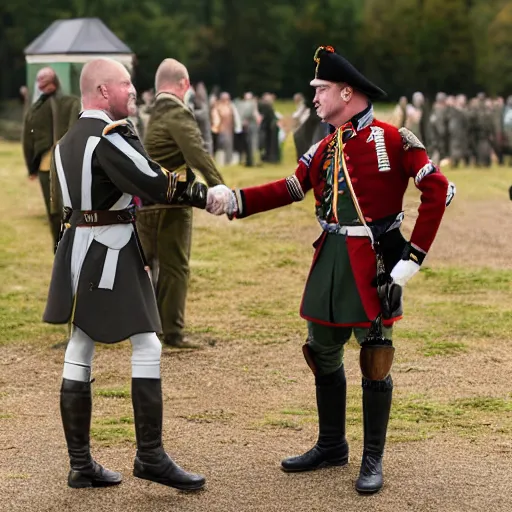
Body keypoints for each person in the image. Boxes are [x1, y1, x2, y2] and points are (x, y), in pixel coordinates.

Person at [207, 46, 453, 494]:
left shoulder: (394, 138)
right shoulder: (323, 145)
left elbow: (438, 190)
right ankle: (331, 444)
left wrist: (411, 261)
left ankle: (372, 458)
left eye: (320, 90)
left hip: (375, 263)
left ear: (346, 91)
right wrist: (234, 200)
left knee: (375, 359)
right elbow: (290, 187)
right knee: (320, 350)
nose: (315, 98)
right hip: (330, 258)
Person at [43, 57, 216, 490]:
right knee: (148, 343)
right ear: (103, 91)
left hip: (77, 247)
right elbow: (155, 182)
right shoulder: (107, 137)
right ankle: (150, 456)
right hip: (109, 247)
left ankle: (81, 464)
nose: (134, 91)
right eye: (126, 84)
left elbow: (57, 204)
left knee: (80, 345)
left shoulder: (65, 142)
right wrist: (208, 195)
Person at [137, 58, 225, 349]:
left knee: (145, 266)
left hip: (147, 204)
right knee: (175, 268)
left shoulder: (153, 115)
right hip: (172, 204)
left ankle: (147, 328)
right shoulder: (177, 113)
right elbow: (196, 152)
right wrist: (218, 185)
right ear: (184, 85)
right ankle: (172, 333)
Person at [22, 67, 80, 247]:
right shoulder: (73, 103)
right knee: (73, 209)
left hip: (46, 167)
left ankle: (60, 247)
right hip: (69, 166)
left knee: (54, 212)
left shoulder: (34, 110)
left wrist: (31, 167)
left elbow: (27, 141)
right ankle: (71, 247)